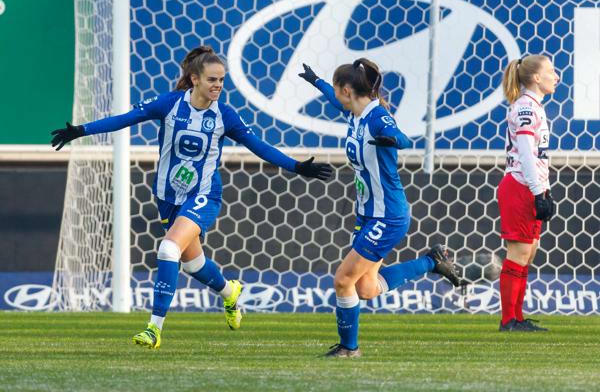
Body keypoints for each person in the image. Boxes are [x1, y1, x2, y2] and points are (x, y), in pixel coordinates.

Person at [51, 45, 333, 349]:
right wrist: (81, 130)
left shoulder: (226, 116)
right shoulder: (171, 104)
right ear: (194, 78)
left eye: (222, 80)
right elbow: (126, 119)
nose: (218, 86)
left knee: (168, 249)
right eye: (212, 79)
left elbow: (259, 146)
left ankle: (153, 329)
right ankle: (230, 293)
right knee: (192, 264)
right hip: (167, 196)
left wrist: (297, 167)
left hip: (204, 195)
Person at [298, 59, 464, 358]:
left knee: (343, 280)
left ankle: (349, 348)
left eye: (337, 90)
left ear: (347, 90)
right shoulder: (354, 113)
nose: (335, 95)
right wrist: (316, 81)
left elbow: (401, 137)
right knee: (366, 289)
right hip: (367, 213)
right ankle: (432, 262)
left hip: (387, 215)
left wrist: (393, 140)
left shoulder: (376, 117)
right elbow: (332, 96)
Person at [498, 55, 559, 332]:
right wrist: (537, 191)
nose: (556, 76)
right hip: (521, 186)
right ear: (536, 78)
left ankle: (517, 318)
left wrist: (543, 190)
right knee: (519, 254)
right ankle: (509, 320)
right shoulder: (526, 107)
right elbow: (524, 152)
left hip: (531, 186)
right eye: (550, 71)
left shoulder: (534, 107)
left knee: (528, 253)